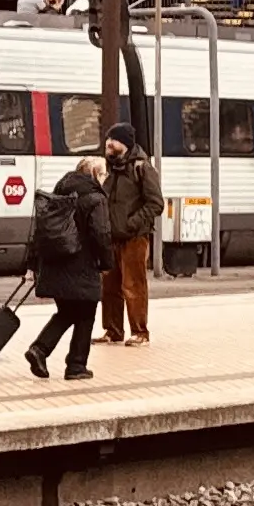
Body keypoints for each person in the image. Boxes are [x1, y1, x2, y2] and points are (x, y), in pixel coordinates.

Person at [25, 163, 109, 380]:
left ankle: (40, 350)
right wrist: (107, 262)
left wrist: (33, 264)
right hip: (82, 266)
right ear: (95, 174)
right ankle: (75, 365)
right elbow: (101, 233)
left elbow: (40, 232)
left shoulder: (59, 193)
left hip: (55, 265)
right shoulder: (95, 198)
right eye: (103, 173)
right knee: (86, 313)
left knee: (68, 312)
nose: (105, 177)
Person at [98, 129, 162, 345]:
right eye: (108, 139)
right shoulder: (110, 168)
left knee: (133, 285)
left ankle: (140, 332)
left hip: (134, 238)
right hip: (111, 237)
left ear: (124, 143)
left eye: (113, 140)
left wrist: (132, 223)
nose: (108, 143)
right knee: (109, 287)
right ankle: (113, 331)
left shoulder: (142, 168)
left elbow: (156, 203)